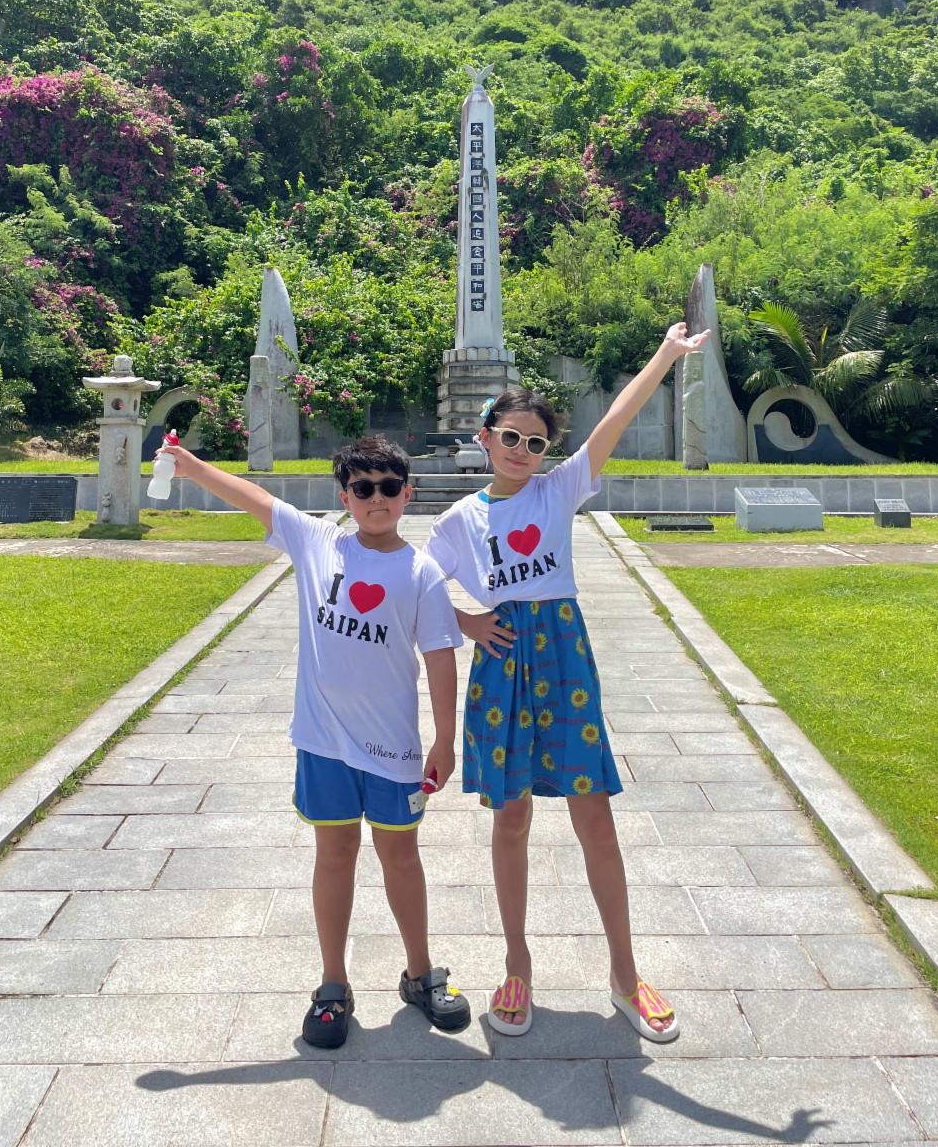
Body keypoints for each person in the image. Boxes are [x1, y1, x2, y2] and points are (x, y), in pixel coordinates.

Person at [425, 321, 710, 1041]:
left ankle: (625, 974)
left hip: (564, 658)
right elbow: (413, 592)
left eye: (535, 443)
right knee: (511, 817)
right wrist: (467, 623)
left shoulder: (558, 491)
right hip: (502, 664)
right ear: (485, 437)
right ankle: (517, 965)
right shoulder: (458, 521)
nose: (522, 451)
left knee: (595, 815)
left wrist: (666, 354)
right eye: (510, 437)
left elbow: (616, 418)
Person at [168, 434, 471, 1049]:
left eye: (389, 487)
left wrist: (445, 740)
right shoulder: (318, 543)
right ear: (344, 498)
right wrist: (192, 466)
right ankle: (333, 982)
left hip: (393, 750)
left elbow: (441, 657)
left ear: (408, 494)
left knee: (401, 858)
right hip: (324, 744)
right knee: (334, 855)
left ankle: (420, 973)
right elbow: (254, 497)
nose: (377, 498)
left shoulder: (421, 572)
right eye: (363, 488)